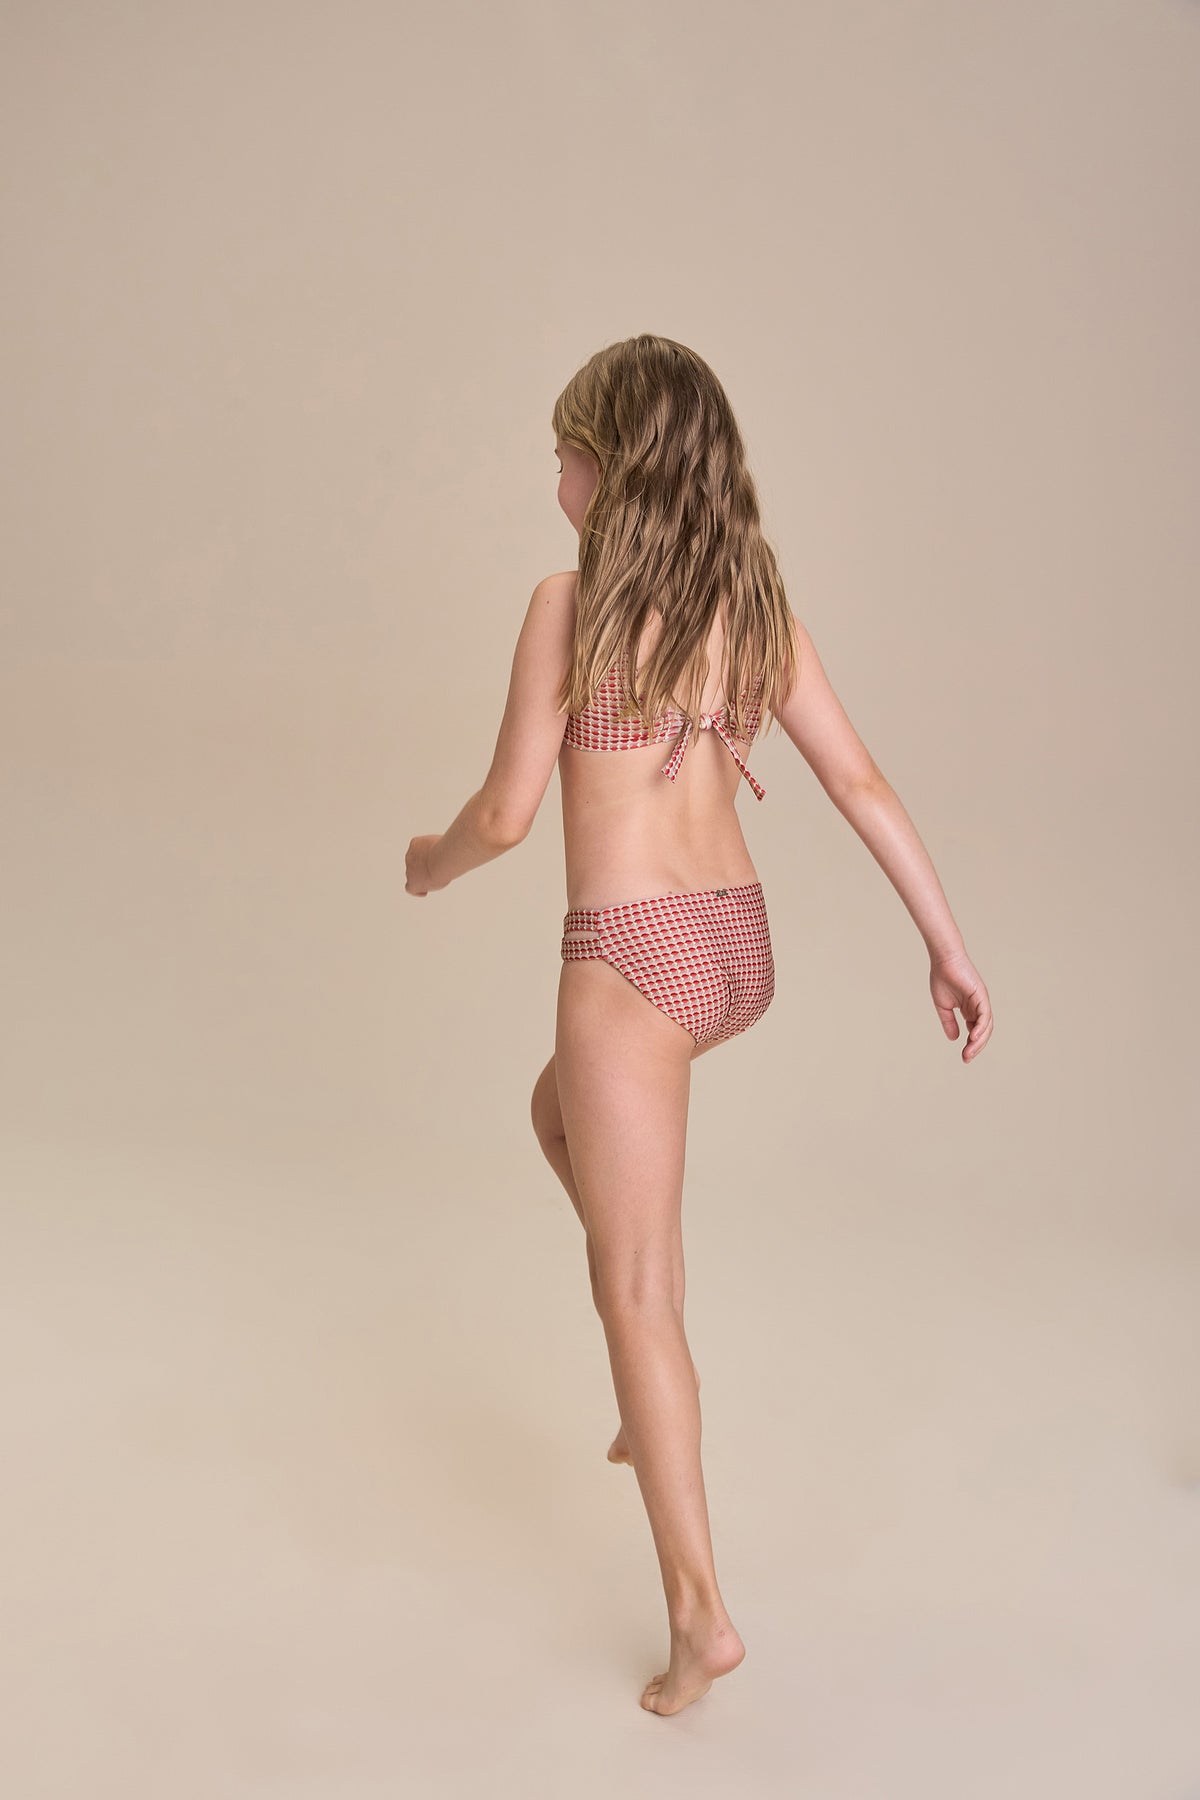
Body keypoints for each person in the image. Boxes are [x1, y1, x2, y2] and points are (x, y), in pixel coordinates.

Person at [405, 333, 993, 1717]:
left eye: (566, 454)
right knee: (557, 1118)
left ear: (611, 467)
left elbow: (505, 813)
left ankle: (699, 1619)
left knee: (641, 1293)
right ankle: (644, 1389)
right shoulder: (754, 602)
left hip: (629, 960)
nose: (554, 479)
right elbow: (859, 780)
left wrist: (428, 862)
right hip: (734, 948)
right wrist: (946, 944)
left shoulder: (569, 603)